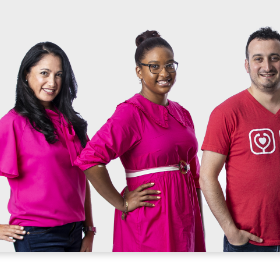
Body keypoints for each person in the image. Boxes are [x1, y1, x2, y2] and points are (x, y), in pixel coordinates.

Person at [200, 27, 280, 252]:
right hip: (246, 243)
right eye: (258, 59)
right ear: (247, 65)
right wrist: (230, 230)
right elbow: (207, 176)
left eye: (274, 58)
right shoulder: (226, 113)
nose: (267, 67)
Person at [74, 30, 205, 252]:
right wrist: (121, 202)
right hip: (150, 217)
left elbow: (194, 173)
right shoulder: (130, 113)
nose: (164, 72)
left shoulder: (182, 112)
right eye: (154, 66)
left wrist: (198, 219)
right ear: (139, 71)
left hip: (185, 217)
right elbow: (90, 159)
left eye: (170, 65)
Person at [0, 42, 95, 252]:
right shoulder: (15, 122)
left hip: (74, 234)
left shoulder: (71, 122)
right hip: (37, 236)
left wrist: (89, 230)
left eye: (58, 75)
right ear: (27, 74)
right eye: (44, 73)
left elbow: (81, 178)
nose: (52, 82)